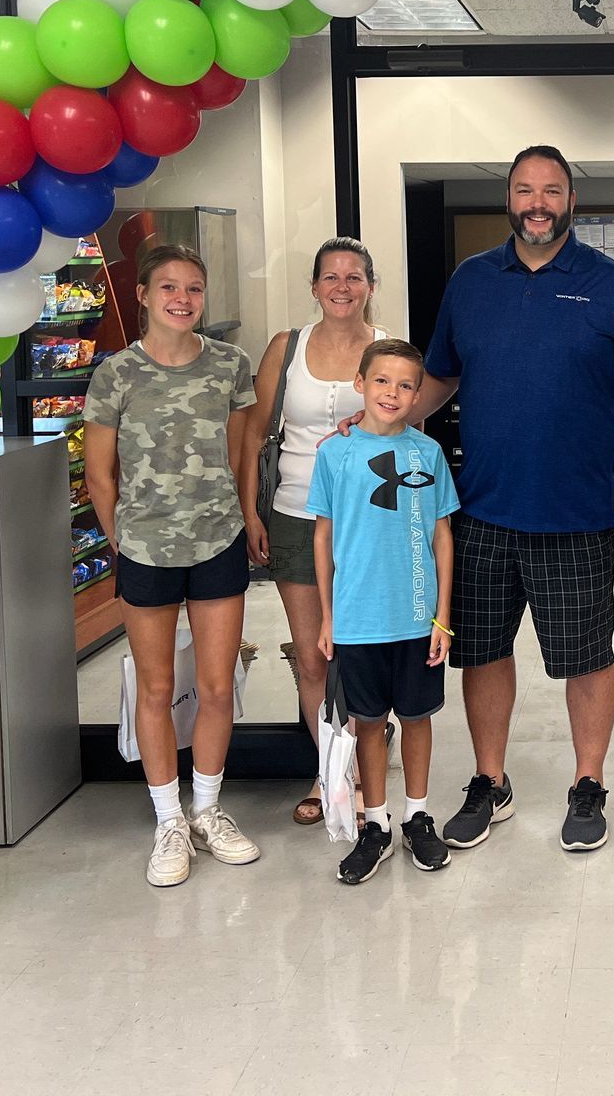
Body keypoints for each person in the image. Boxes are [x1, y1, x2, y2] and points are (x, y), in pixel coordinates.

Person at [409, 145, 614, 853]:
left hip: (576, 517)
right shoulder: (470, 282)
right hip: (480, 512)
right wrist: (383, 419)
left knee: (586, 658)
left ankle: (588, 785)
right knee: (483, 653)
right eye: (524, 189)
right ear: (510, 200)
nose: (537, 203)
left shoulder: (611, 284)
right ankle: (491, 782)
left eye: (551, 190)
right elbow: (439, 380)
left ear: (570, 201)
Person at [84, 243, 261, 888]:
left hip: (218, 541)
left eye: (194, 289)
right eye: (169, 288)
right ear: (143, 295)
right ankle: (168, 821)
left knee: (216, 688)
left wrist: (249, 517)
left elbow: (242, 456)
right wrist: (120, 539)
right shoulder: (115, 374)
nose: (182, 300)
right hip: (144, 549)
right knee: (155, 690)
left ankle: (209, 810)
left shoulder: (230, 367)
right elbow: (100, 475)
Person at [236, 238, 387, 825]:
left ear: (371, 286)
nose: (342, 287)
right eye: (331, 277)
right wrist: (252, 511)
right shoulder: (286, 348)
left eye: (354, 277)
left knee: (361, 649)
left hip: (369, 520)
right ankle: (333, 775)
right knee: (311, 653)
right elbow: (253, 436)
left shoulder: (387, 350)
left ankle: (367, 747)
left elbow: (406, 438)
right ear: (315, 287)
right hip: (295, 514)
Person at [310, 339, 460, 885]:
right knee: (368, 723)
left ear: (418, 394)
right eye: (381, 381)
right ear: (359, 383)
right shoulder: (335, 454)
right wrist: (328, 616)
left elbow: (442, 535)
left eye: (404, 385)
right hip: (357, 618)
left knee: (417, 718)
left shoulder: (429, 454)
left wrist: (442, 616)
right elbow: (323, 536)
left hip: (417, 616)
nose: (391, 393)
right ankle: (375, 822)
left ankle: (418, 815)